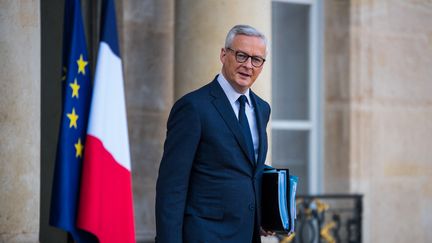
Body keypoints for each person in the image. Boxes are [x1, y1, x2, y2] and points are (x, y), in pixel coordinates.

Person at [155, 24, 272, 243]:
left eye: (256, 59)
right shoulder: (193, 107)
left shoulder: (262, 108)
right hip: (204, 235)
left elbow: (245, 167)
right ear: (223, 54)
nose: (248, 65)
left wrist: (262, 214)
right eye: (241, 55)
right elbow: (172, 186)